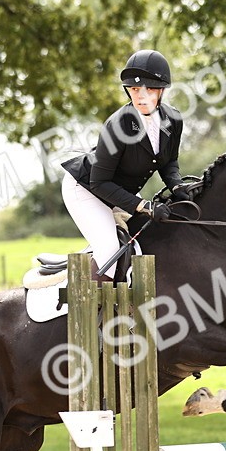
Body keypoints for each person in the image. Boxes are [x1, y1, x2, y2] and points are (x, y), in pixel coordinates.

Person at [60, 49, 190, 280]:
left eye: (149, 89)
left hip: (118, 192)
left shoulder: (174, 119)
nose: (140, 96)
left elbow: (169, 161)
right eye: (134, 89)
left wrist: (178, 186)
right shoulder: (117, 126)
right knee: (110, 247)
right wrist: (145, 206)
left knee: (150, 238)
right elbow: (99, 183)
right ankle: (89, 308)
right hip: (86, 189)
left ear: (161, 90)